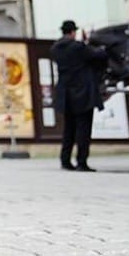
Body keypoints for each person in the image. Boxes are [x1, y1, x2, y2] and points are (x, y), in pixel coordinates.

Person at [50, 19, 106, 172]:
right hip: (82, 93)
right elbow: (97, 55)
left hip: (65, 94)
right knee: (83, 129)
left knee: (68, 129)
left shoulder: (55, 48)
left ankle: (65, 160)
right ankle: (82, 161)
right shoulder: (78, 47)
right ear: (73, 32)